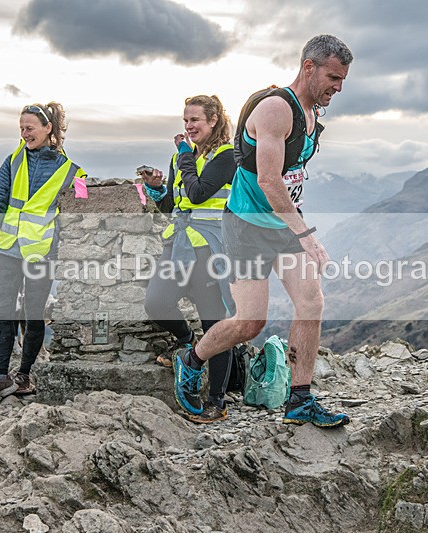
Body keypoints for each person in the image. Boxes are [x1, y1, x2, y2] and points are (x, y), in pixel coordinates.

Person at [173, 35, 353, 428]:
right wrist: (307, 234)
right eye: (333, 77)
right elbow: (270, 180)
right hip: (248, 226)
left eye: (342, 80)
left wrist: (297, 228)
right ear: (309, 67)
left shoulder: (311, 114)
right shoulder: (276, 109)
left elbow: (290, 177)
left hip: (283, 224)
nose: (338, 87)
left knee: (312, 303)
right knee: (250, 322)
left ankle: (300, 400)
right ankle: (191, 359)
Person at [0, 102, 86, 403]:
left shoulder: (72, 172)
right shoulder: (12, 161)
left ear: (48, 128)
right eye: (21, 128)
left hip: (42, 253)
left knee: (34, 315)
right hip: (8, 249)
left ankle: (24, 375)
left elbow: (78, 214)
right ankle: (0, 376)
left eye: (29, 128)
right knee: (2, 311)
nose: (24, 134)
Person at [141, 95, 236, 424]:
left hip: (209, 248)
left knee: (216, 323)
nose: (188, 126)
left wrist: (184, 156)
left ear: (213, 121)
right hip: (178, 244)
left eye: (195, 120)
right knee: (156, 302)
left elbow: (198, 193)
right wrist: (156, 189)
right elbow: (174, 205)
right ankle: (185, 344)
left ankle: (216, 402)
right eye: (185, 121)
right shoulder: (178, 157)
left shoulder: (227, 156)